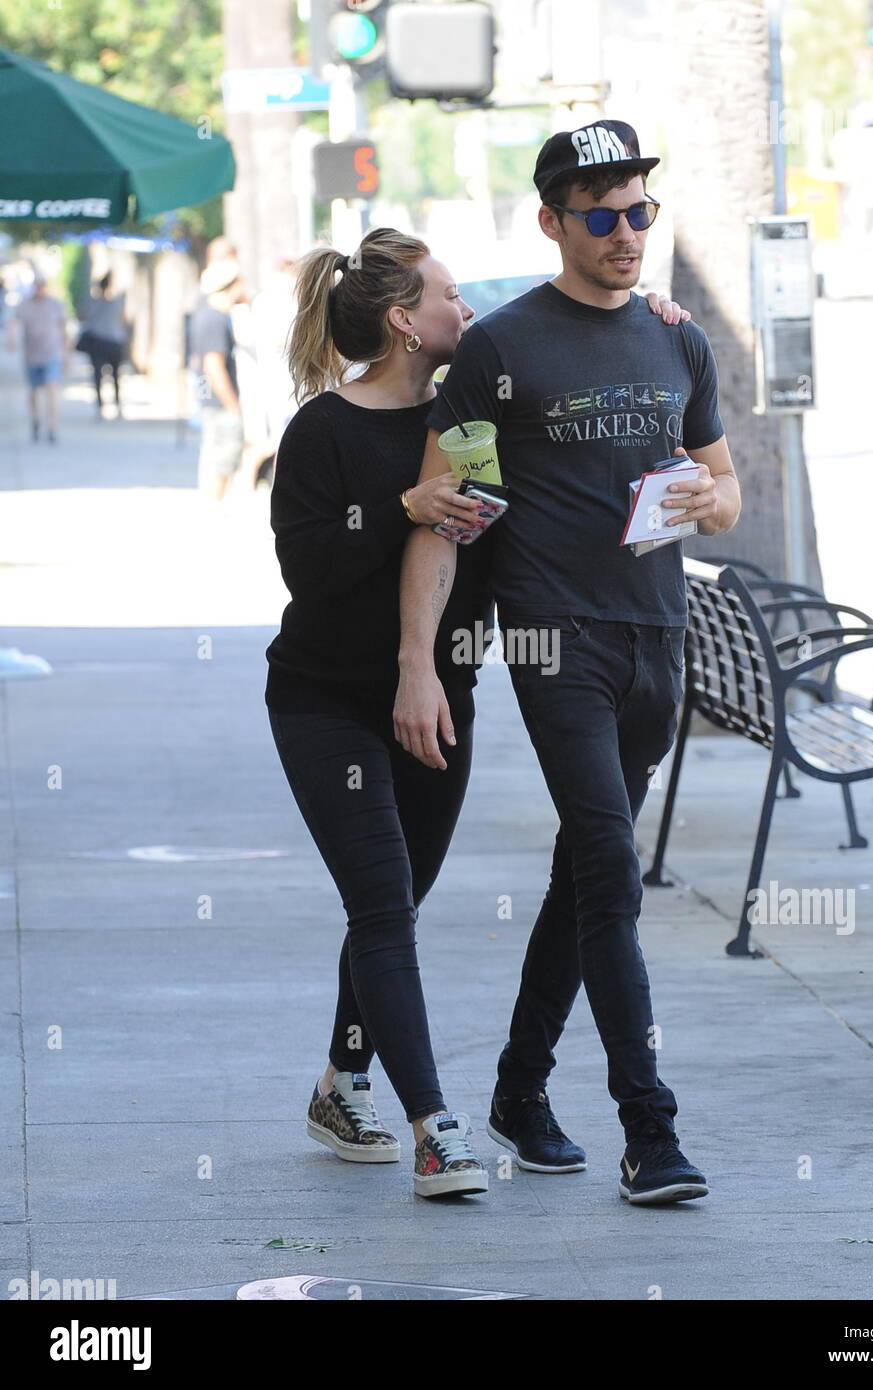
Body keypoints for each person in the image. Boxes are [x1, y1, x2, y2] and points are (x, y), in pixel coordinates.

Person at [265, 228, 690, 1201]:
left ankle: (340, 1083)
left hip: (440, 701)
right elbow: (307, 568)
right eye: (449, 296)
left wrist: (653, 316)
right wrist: (398, 508)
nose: (468, 310)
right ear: (404, 320)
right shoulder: (322, 431)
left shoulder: (469, 422)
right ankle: (433, 1129)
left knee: (393, 903)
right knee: (380, 905)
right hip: (325, 702)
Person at [394, 119, 742, 1207]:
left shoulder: (676, 339)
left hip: (656, 633)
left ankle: (517, 1088)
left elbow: (723, 489)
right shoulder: (502, 349)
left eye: (640, 211)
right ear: (551, 222)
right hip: (554, 640)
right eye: (601, 216)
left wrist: (708, 499)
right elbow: (446, 508)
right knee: (610, 864)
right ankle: (650, 1129)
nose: (627, 233)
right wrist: (416, 661)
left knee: (585, 870)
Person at [189, 259, 247, 500]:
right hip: (220, 403)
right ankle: (214, 506)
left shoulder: (205, 315)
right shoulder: (215, 319)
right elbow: (213, 366)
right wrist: (232, 406)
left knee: (215, 457)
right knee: (222, 462)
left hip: (210, 400)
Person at [8, 276, 68, 443]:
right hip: (32, 355)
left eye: (42, 286)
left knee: (52, 388)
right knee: (34, 391)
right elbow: (14, 323)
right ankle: (35, 420)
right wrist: (11, 338)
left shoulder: (55, 305)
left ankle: (52, 426)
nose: (40, 289)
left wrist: (66, 353)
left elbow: (63, 328)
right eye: (37, 286)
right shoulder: (25, 305)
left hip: (52, 353)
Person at [80, 272, 128, 418]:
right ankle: (117, 405)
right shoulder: (117, 303)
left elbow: (82, 316)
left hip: (99, 342)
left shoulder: (92, 303)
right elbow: (123, 319)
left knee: (98, 377)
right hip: (113, 342)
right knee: (115, 376)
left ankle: (101, 407)